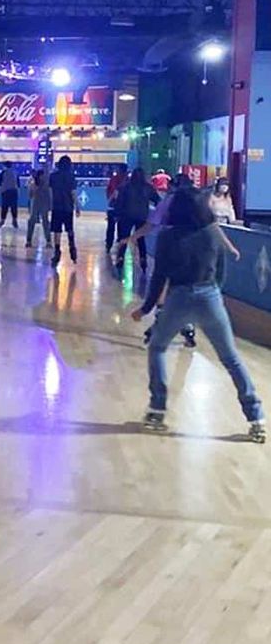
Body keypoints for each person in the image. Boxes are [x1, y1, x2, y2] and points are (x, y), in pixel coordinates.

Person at [131, 188, 264, 441]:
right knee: (231, 358)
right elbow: (221, 272)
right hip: (209, 297)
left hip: (179, 299)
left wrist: (146, 308)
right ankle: (256, 419)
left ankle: (157, 410)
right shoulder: (212, 232)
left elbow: (159, 277)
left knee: (158, 347)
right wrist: (213, 294)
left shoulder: (167, 236)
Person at [113, 167, 159, 274]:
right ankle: (143, 260)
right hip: (142, 216)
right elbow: (157, 199)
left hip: (126, 216)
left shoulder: (125, 187)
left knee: (124, 237)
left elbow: (119, 202)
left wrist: (117, 214)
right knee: (140, 238)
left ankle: (120, 258)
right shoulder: (148, 188)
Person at [49, 155, 79, 267]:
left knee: (57, 231)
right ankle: (72, 248)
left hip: (56, 207)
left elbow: (50, 192)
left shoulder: (53, 176)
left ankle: (57, 252)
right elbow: (73, 193)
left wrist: (51, 204)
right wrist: (77, 206)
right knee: (69, 229)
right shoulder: (71, 177)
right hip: (68, 208)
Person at [25, 168, 52, 249]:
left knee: (45, 222)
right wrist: (33, 187)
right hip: (36, 205)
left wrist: (50, 205)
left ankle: (48, 241)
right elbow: (30, 195)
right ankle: (29, 240)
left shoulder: (47, 184)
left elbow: (49, 195)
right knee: (33, 222)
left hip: (42, 205)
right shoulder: (34, 183)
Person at [105, 162, 128, 252]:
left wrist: (110, 200)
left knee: (111, 226)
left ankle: (109, 244)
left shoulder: (114, 178)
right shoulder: (128, 179)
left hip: (114, 206)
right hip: (124, 207)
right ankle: (120, 246)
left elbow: (111, 190)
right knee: (122, 227)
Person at [0, 162, 20, 229]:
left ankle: (2, 221)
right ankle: (14, 221)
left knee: (4, 207)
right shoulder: (15, 172)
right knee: (14, 207)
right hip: (14, 191)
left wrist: (0, 191)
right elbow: (18, 184)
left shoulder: (3, 172)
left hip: (5, 192)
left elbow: (0, 183)